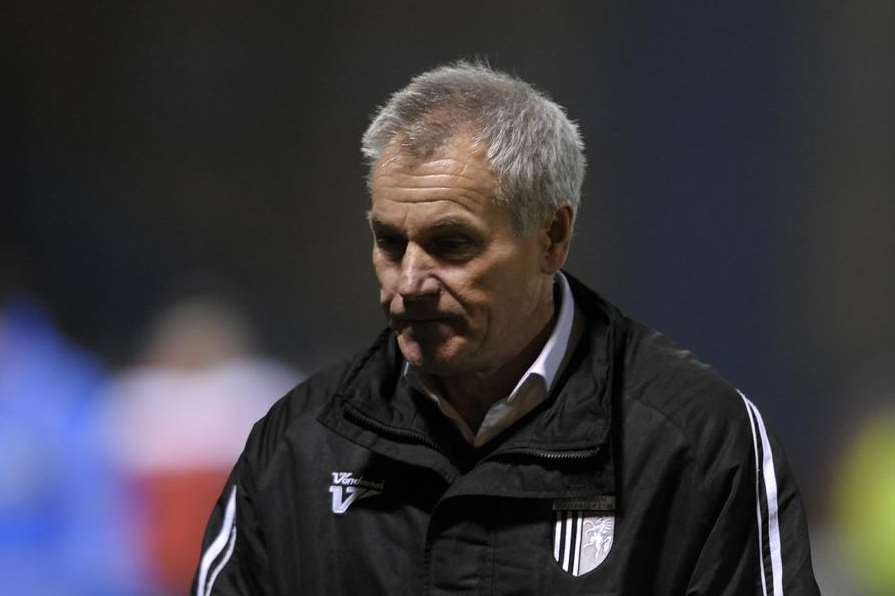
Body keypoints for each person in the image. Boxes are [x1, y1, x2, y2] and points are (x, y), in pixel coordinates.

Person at [193, 61, 820, 595]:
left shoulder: (696, 441)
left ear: (553, 238)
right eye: (389, 242)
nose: (408, 280)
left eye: (450, 244)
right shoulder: (298, 444)